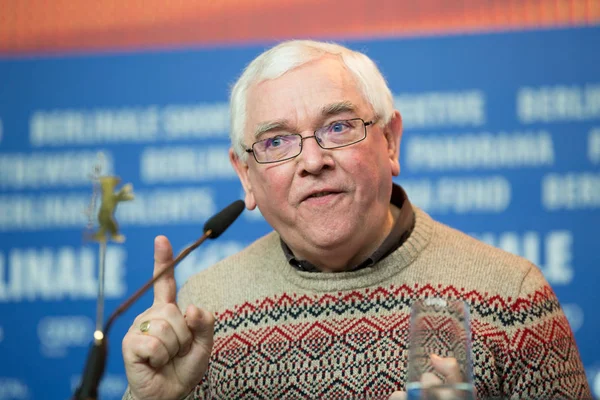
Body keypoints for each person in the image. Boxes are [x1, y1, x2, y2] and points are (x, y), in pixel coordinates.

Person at [121, 40, 591, 400]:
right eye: (277, 141)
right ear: (246, 176)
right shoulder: (203, 312)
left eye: (338, 127)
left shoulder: (508, 295)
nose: (312, 161)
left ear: (389, 141)